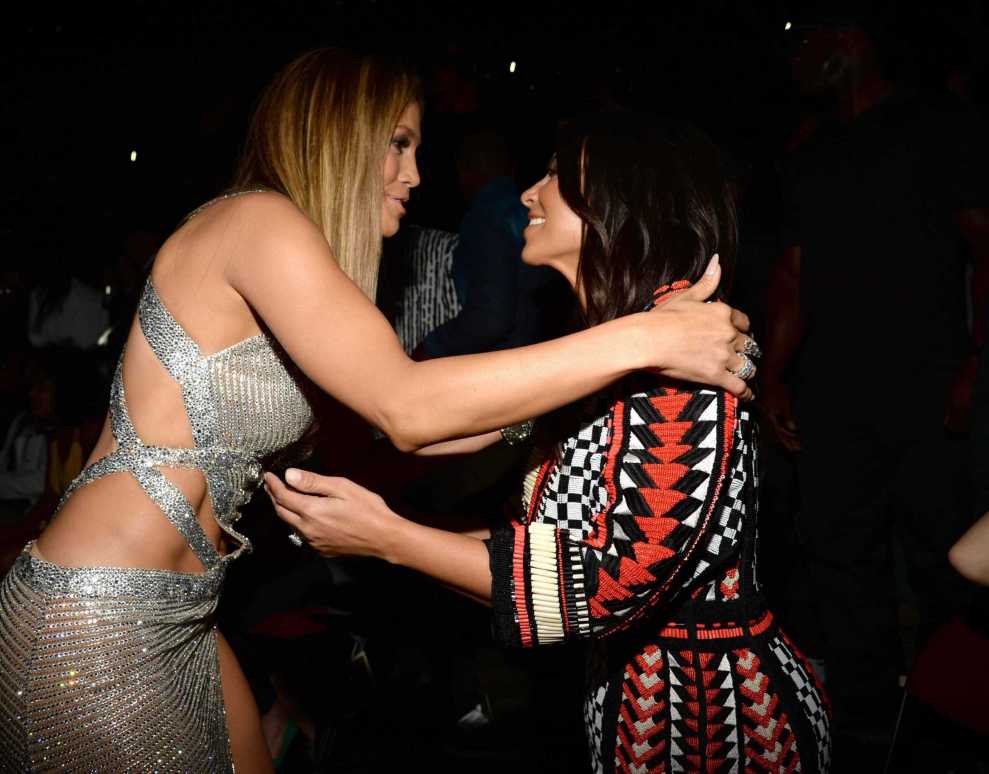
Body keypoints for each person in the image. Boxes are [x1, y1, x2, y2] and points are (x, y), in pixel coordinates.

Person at [0, 51, 757, 773]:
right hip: (96, 610)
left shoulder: (293, 264)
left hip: (186, 611)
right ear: (338, 132)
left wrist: (571, 400)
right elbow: (407, 410)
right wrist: (642, 337)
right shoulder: (256, 223)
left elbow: (407, 424)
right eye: (397, 144)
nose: (415, 174)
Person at [266, 112, 830, 773]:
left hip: (717, 727)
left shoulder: (682, 364)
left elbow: (602, 585)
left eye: (557, 177)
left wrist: (389, 538)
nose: (529, 192)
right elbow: (532, 525)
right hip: (633, 708)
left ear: (620, 202)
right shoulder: (614, 354)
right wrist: (382, 519)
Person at [761, 20, 989, 761]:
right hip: (832, 390)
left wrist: (974, 361)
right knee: (838, 551)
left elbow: (983, 246)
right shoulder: (808, 155)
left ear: (850, 44)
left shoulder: (936, 127)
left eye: (808, 43)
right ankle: (861, 724)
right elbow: (791, 277)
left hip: (926, 382)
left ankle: (947, 714)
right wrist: (771, 375)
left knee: (942, 556)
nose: (797, 61)